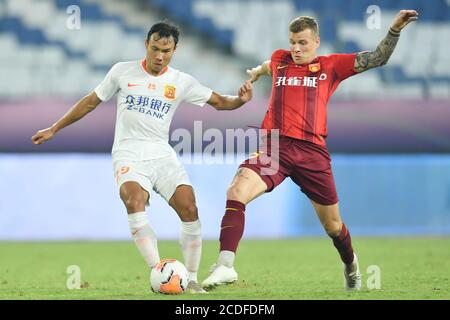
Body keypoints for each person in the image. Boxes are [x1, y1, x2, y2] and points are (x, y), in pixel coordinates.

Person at [202, 10, 419, 291]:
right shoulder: (281, 59)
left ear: (316, 42)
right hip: (275, 148)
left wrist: (394, 29)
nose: (296, 48)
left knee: (333, 226)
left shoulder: (332, 66)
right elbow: (271, 64)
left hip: (312, 154)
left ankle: (351, 263)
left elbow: (378, 58)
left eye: (302, 43)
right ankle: (225, 266)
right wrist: (257, 71)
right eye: (292, 42)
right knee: (236, 191)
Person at [31, 21, 253, 294]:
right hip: (128, 151)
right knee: (134, 200)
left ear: (175, 50)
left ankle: (192, 279)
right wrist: (54, 128)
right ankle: (159, 272)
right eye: (156, 49)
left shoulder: (181, 81)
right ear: (146, 44)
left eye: (167, 51)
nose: (160, 56)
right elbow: (90, 101)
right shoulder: (122, 72)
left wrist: (240, 101)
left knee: (189, 208)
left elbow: (219, 102)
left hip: (161, 153)